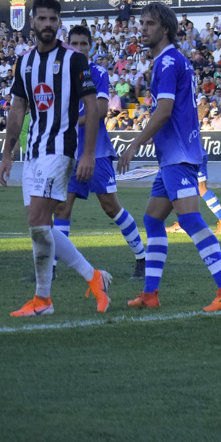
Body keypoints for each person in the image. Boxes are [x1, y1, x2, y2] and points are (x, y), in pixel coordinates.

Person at [117, 2, 221, 311]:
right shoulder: (175, 60)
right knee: (152, 218)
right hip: (174, 155)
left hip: (178, 155)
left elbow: (164, 111)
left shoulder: (166, 63)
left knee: (189, 219)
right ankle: (150, 293)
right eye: (142, 23)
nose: (142, 28)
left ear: (165, 28)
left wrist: (134, 144)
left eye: (149, 24)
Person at [0, 0, 112, 317]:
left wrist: (88, 153)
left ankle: (43, 300)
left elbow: (92, 107)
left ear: (59, 23)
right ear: (32, 22)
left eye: (53, 19)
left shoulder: (75, 61)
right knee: (42, 225)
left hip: (60, 150)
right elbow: (18, 109)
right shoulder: (25, 62)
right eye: (42, 19)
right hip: (33, 152)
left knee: (37, 222)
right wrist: (8, 154)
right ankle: (94, 277)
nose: (47, 24)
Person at [52, 25, 146, 280]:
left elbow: (101, 110)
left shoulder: (97, 72)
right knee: (61, 209)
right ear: (67, 45)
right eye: (75, 43)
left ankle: (142, 257)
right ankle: (50, 268)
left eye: (85, 44)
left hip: (96, 151)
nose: (80, 48)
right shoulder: (58, 73)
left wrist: (69, 122)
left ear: (91, 47)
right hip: (68, 150)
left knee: (110, 206)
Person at [165, 150, 221, 235]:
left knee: (184, 187)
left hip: (187, 156)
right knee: (199, 188)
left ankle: (186, 223)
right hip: (195, 153)